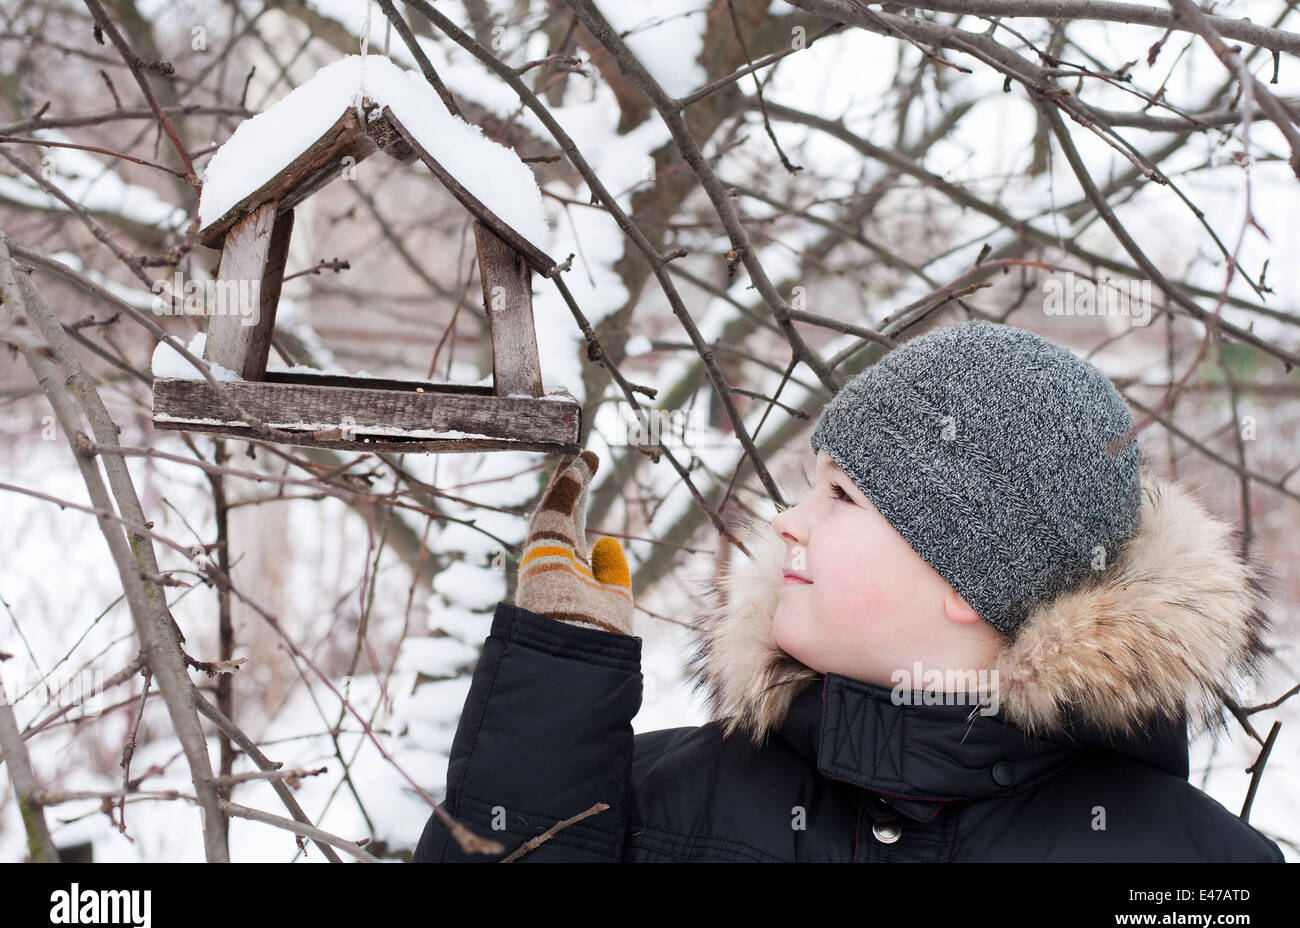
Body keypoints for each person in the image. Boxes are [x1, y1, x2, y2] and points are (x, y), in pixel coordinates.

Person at [412, 319, 1285, 862]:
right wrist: (549, 707)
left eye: (840, 495)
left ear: (970, 578)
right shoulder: (650, 795)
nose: (788, 522)